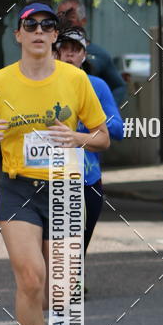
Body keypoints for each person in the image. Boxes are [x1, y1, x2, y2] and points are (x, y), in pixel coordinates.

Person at [0, 2, 109, 325]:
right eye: (29, 25)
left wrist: (79, 139)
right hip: (19, 188)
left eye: (46, 25)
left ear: (55, 35)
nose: (38, 30)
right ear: (18, 35)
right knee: (31, 277)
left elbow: (103, 136)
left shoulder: (75, 80)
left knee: (62, 288)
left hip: (66, 186)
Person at [55, 25, 124, 255]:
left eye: (76, 49)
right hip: (49, 176)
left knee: (77, 246)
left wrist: (92, 118)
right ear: (56, 53)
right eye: (65, 49)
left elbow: (118, 129)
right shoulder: (45, 85)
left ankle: (74, 279)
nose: (70, 54)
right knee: (53, 247)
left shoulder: (97, 85)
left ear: (84, 55)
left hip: (87, 178)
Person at [57, 0, 128, 108]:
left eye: (71, 17)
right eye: (61, 16)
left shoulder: (100, 56)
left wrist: (106, 110)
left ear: (83, 20)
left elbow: (119, 86)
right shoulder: (48, 52)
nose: (65, 21)